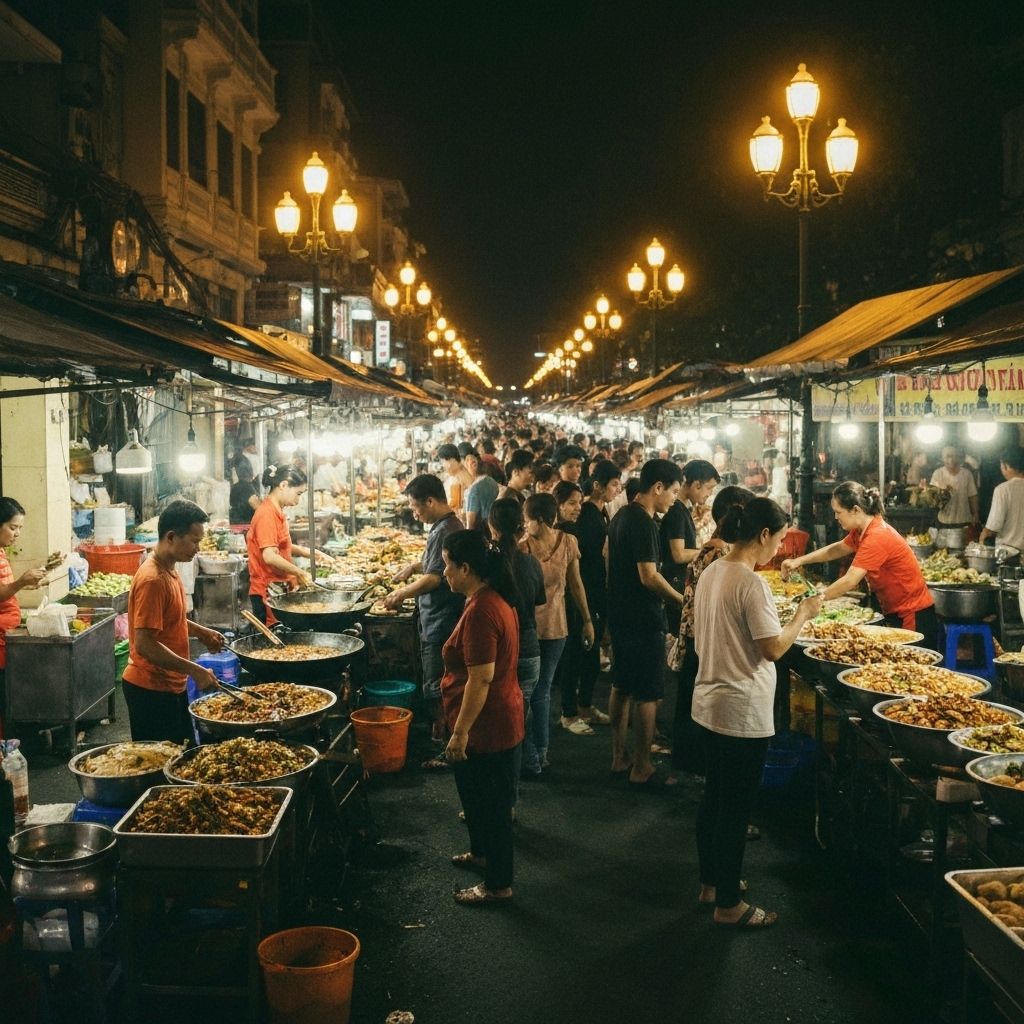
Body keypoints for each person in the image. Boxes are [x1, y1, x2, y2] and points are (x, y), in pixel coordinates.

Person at [693, 497, 821, 928]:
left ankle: (711, 882)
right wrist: (802, 615)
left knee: (714, 798)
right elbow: (773, 649)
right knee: (735, 809)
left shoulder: (712, 571)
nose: (780, 549)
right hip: (741, 710)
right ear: (763, 535)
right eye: (781, 539)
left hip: (710, 701)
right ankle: (728, 905)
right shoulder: (751, 584)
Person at [441, 529, 523, 906]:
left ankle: (498, 885)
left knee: (493, 809)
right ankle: (480, 853)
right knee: (476, 799)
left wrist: (460, 734)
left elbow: (482, 677)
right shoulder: (489, 599)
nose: (445, 574)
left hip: (487, 724)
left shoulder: (482, 610)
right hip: (493, 717)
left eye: (448, 567)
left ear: (467, 568)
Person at [781, 481, 938, 649]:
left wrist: (817, 599)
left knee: (907, 668)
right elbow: (837, 549)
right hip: (895, 610)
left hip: (913, 614)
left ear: (855, 510)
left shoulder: (877, 536)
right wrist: (799, 560)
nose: (836, 517)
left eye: (838, 512)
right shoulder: (862, 530)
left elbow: (850, 580)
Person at [606, 458, 684, 787]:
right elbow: (649, 576)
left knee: (621, 685)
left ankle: (618, 756)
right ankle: (642, 766)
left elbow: (606, 556)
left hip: (620, 613)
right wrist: (681, 601)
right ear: (657, 488)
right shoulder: (645, 522)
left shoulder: (621, 514)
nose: (674, 499)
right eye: (674, 492)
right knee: (648, 693)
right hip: (642, 617)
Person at [122, 500, 226, 743]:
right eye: (194, 540)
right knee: (162, 767)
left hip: (169, 685)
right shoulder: (153, 579)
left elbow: (169, 619)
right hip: (150, 690)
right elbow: (145, 644)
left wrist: (201, 632)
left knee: (182, 757)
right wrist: (195, 670)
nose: (197, 548)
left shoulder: (169, 568)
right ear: (171, 537)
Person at [668, 485, 755, 776]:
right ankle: (693, 768)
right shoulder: (718, 553)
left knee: (690, 701)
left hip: (696, 632)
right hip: (701, 635)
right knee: (695, 706)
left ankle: (687, 764)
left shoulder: (715, 547)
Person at [384, 474, 465, 756]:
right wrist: (412, 566)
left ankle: (444, 745)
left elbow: (434, 578)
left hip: (441, 619)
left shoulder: (445, 529)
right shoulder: (446, 525)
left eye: (416, 508)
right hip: (437, 616)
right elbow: (433, 564)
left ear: (430, 501)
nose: (415, 514)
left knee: (437, 684)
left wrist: (400, 594)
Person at [520, 491, 594, 775]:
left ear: (540, 520)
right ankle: (537, 752)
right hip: (529, 629)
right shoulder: (522, 547)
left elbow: (576, 584)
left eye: (528, 520)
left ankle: (538, 753)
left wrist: (587, 620)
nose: (526, 526)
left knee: (540, 690)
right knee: (537, 691)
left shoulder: (568, 543)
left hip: (555, 629)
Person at [557, 460, 622, 731]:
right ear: (597, 485)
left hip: (596, 592)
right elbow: (579, 567)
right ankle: (568, 713)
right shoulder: (583, 519)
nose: (617, 490)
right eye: (614, 485)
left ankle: (584, 706)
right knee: (575, 653)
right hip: (580, 594)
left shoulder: (601, 513)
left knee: (590, 653)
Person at [489, 498, 545, 790]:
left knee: (508, 722)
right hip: (530, 649)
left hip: (502, 651)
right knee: (523, 709)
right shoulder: (531, 563)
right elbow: (538, 601)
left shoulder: (489, 564)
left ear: (492, 527)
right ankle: (533, 761)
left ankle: (508, 786)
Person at [247, 465, 325, 625]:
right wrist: (300, 573)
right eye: (298, 493)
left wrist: (308, 552)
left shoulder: (277, 511)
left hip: (278, 587)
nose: (298, 499)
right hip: (268, 591)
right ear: (283, 485)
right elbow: (269, 556)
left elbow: (279, 546)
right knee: (276, 645)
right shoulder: (266, 514)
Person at [661, 460, 721, 635]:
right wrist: (707, 549)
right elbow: (678, 554)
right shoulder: (677, 512)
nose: (709, 494)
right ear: (696, 485)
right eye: (709, 488)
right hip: (675, 582)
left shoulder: (682, 509)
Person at [0, 498, 47, 713]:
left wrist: (24, 585)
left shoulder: (1, 551)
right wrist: (20, 582)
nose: (17, 533)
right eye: (13, 527)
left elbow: (4, 588)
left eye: (20, 528)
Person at [980, 446, 1024, 553]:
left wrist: (982, 537)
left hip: (1009, 553)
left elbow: (993, 526)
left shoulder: (1002, 490)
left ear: (1005, 466)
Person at [931, 445, 979, 529]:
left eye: (954, 456)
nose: (951, 460)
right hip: (944, 520)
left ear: (958, 457)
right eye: (948, 456)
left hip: (964, 519)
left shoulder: (967, 474)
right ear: (942, 458)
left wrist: (975, 514)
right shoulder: (938, 473)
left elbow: (972, 496)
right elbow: (932, 497)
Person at [463, 446, 500, 532]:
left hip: (482, 532)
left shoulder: (474, 490)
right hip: (495, 529)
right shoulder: (491, 481)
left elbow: (470, 525)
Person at [438, 443, 473, 511]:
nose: (443, 466)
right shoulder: (463, 469)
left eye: (443, 462)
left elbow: (455, 506)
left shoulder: (456, 480)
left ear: (451, 460)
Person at [228, 458, 260, 525]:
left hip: (242, 524)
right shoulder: (253, 486)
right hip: (245, 523)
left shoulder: (237, 487)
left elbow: (232, 504)